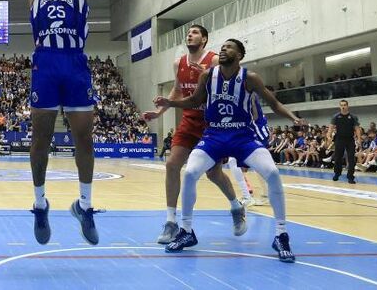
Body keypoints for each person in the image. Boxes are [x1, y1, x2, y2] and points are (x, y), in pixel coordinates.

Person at [154, 39, 303, 263]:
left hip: (243, 137)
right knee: (191, 172)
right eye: (222, 47)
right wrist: (170, 103)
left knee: (272, 173)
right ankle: (186, 231)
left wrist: (295, 118)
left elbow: (274, 104)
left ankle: (281, 234)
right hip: (214, 135)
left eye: (229, 47)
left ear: (240, 55)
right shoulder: (208, 76)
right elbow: (194, 100)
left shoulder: (250, 78)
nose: (224, 49)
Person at [15, 0, 104, 245]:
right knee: (41, 138)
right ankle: (40, 204)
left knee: (84, 138)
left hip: (75, 64)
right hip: (47, 63)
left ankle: (85, 205)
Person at [141, 25, 243, 245]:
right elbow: (178, 90)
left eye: (195, 32)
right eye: (188, 32)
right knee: (171, 165)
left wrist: (204, 79)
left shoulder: (215, 61)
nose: (190, 35)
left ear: (204, 39)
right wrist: (159, 112)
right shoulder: (179, 63)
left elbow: (229, 89)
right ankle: (170, 221)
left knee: (214, 174)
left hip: (211, 123)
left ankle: (236, 206)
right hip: (189, 121)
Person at [329, 99, 360, 184]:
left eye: (344, 105)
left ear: (347, 106)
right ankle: (337, 173)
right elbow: (331, 127)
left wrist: (359, 139)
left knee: (351, 159)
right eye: (341, 105)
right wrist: (328, 136)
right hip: (339, 139)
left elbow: (357, 129)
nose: (343, 106)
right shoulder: (336, 116)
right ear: (340, 106)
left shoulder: (353, 117)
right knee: (338, 158)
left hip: (350, 140)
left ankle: (350, 177)